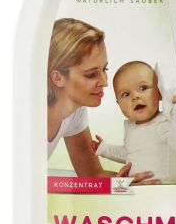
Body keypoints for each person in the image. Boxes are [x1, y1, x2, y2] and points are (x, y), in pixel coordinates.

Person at [47, 18, 158, 184]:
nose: (105, 82)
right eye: (91, 74)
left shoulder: (75, 112)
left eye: (104, 69)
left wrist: (128, 183)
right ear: (57, 78)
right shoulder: (25, 116)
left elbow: (91, 175)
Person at [92, 61, 176, 184]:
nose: (135, 96)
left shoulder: (164, 121)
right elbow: (131, 154)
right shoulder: (130, 127)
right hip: (136, 188)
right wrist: (105, 149)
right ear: (118, 103)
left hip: (165, 187)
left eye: (143, 88)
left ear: (159, 92)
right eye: (126, 94)